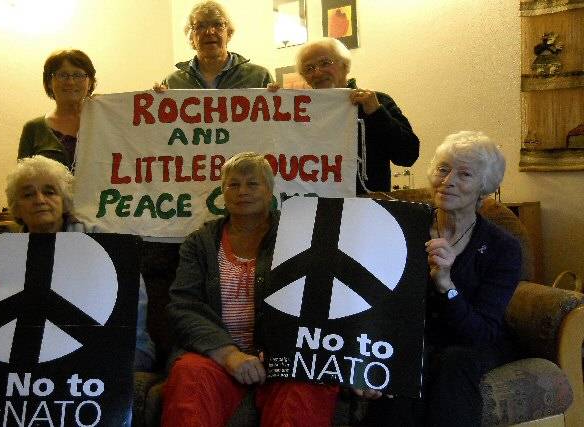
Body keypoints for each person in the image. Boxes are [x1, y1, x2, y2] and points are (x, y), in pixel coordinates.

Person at [161, 152, 339, 426]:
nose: (242, 191)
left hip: (285, 358)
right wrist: (228, 354)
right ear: (223, 192)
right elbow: (183, 306)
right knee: (189, 374)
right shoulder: (200, 243)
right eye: (233, 184)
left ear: (270, 192)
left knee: (306, 388)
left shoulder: (301, 235)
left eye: (252, 184)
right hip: (215, 357)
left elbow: (326, 300)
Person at [358, 131, 522, 426]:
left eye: (465, 174)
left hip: (472, 344)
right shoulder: (403, 228)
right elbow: (377, 303)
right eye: (443, 169)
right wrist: (370, 357)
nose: (448, 181)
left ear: (483, 187)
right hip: (413, 340)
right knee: (407, 365)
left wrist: (446, 285)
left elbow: (481, 333)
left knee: (453, 362)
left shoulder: (503, 248)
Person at [0, 156, 155, 371]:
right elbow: (0, 327)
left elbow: (132, 298)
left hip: (115, 344)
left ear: (64, 201)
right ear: (17, 209)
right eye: (28, 194)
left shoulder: (102, 240)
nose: (39, 199)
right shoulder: (6, 256)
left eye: (50, 191)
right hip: (40, 349)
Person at [295, 37, 419, 194]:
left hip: (367, 210)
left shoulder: (377, 102)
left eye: (325, 63)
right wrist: (273, 100)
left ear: (345, 66)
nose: (318, 72)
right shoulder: (298, 112)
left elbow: (408, 155)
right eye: (309, 68)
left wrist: (377, 114)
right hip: (314, 209)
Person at [158, 1, 272, 89]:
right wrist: (156, 101)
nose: (210, 32)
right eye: (200, 26)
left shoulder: (259, 77)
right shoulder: (172, 82)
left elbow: (278, 118)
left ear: (229, 32)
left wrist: (279, 99)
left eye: (218, 24)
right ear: (191, 35)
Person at [17, 49, 97, 171]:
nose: (70, 82)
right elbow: (22, 180)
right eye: (62, 75)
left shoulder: (106, 123)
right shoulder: (33, 129)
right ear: (49, 82)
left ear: (90, 82)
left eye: (78, 75)